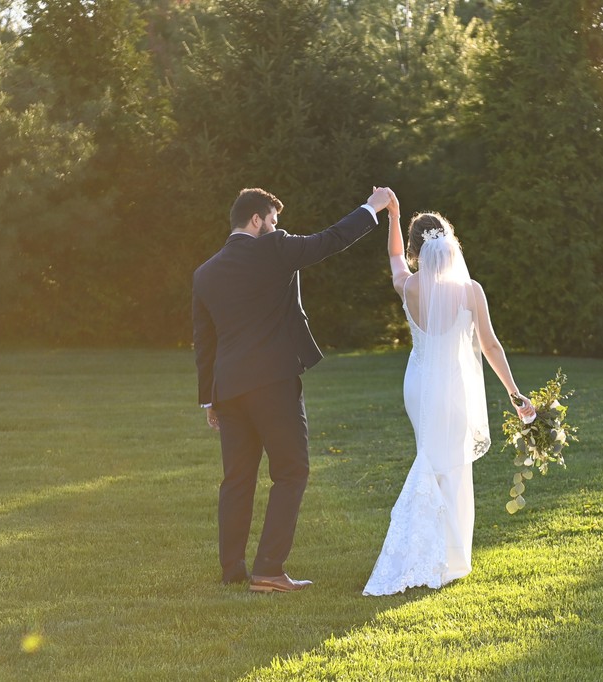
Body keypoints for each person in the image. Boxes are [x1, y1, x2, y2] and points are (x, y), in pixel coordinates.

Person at [193, 186, 393, 593]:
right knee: (291, 471)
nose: (277, 227)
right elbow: (332, 239)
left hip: (229, 389)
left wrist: (209, 399)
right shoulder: (275, 249)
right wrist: (373, 208)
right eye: (274, 220)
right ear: (256, 220)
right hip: (272, 383)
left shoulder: (205, 272)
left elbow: (205, 342)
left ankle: (233, 570)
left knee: (236, 479)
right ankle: (268, 570)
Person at [363, 192, 536, 596]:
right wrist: (514, 393)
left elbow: (393, 259)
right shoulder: (471, 290)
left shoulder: (407, 287)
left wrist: (394, 216)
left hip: (419, 386)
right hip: (453, 387)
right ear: (450, 247)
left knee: (431, 458)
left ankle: (429, 550)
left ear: (416, 250)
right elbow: (491, 347)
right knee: (454, 467)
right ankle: (450, 557)